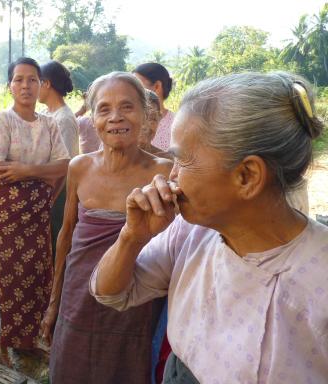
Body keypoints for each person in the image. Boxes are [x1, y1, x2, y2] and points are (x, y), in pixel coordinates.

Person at [91, 72, 328, 383]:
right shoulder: (190, 232)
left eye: (182, 161)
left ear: (247, 176)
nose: (171, 175)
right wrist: (131, 238)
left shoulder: (318, 274)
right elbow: (110, 293)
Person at [40, 72, 171, 383]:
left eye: (127, 107)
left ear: (145, 113)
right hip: (78, 293)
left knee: (126, 366)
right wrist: (55, 302)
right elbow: (66, 236)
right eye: (104, 109)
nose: (116, 118)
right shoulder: (80, 167)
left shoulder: (164, 172)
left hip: (135, 297)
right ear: (92, 117)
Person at [0, 57, 70, 363]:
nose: (26, 85)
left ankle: (29, 340)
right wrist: (41, 171)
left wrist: (26, 170)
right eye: (19, 80)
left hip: (38, 211)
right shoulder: (3, 120)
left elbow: (64, 166)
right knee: (4, 277)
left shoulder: (50, 123)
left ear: (42, 84)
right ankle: (2, 346)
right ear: (10, 86)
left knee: (35, 275)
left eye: (32, 79)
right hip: (8, 215)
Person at [38, 60, 80, 254]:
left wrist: (51, 200)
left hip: (58, 191)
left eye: (36, 81)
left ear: (46, 83)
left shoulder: (64, 119)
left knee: (54, 244)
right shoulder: (46, 113)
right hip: (46, 189)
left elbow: (65, 166)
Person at [133, 63, 174, 151]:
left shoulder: (178, 125)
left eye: (137, 85)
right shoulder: (124, 121)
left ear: (157, 86)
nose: (131, 90)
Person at [140, 89, 171, 158]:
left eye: (152, 119)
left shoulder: (167, 162)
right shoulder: (113, 159)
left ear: (159, 120)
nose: (145, 126)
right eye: (140, 117)